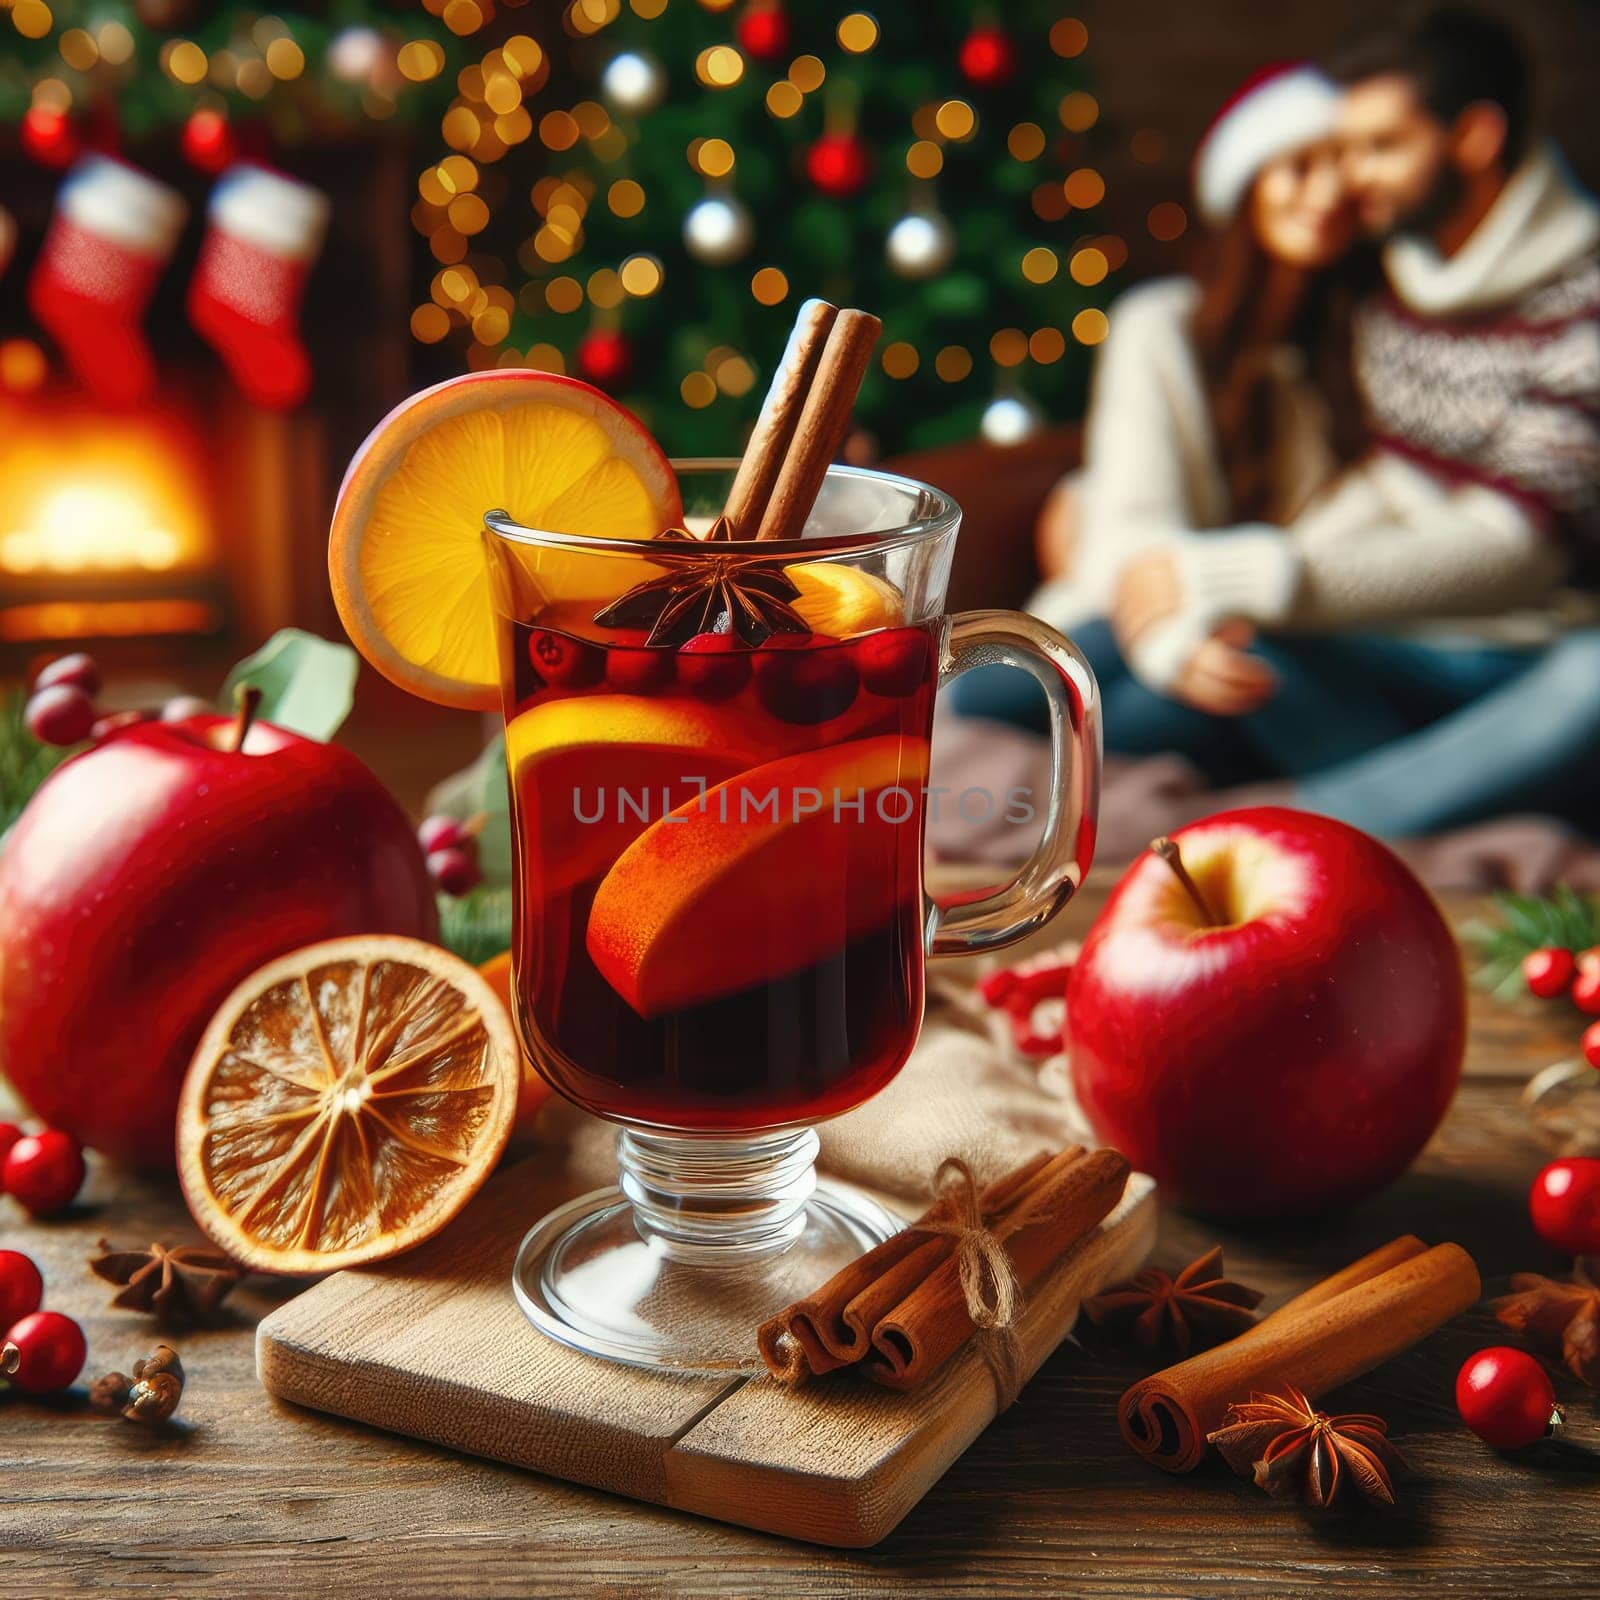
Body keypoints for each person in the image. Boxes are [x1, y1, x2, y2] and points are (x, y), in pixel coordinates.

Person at [961, 9, 1600, 837]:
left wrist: (1250, 574)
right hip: (1350, 633)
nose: (1345, 185)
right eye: (1324, 158)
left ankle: (1315, 823)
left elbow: (1516, 550)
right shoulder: (1398, 276)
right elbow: (1360, 496)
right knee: (1205, 655)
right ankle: (998, 716)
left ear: (1475, 139)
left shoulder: (1556, 306)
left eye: (1376, 150)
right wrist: (1209, 598)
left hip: (1496, 645)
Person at [955, 62, 1367, 781]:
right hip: (1118, 617)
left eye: (1343, 173)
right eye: (1299, 167)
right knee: (1002, 692)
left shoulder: (1355, 349)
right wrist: (1180, 632)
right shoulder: (1158, 324)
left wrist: (1241, 598)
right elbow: (1134, 524)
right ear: (1247, 184)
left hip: (1258, 627)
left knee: (1190, 706)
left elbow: (1340, 539)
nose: (1326, 194)